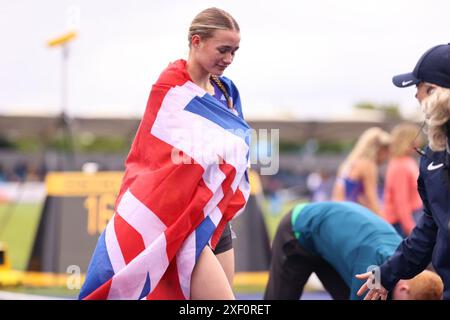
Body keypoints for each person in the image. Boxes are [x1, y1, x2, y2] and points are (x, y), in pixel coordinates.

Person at [79, 8, 251, 300]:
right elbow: (151, 158)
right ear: (196, 41)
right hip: (177, 217)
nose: (229, 59)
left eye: (234, 51)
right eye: (223, 50)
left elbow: (236, 148)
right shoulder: (170, 86)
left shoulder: (227, 90)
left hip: (214, 217)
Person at [357, 43, 450, 300]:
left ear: (435, 90)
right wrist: (386, 274)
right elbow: (429, 229)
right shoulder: (434, 155)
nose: (417, 98)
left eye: (420, 88)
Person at [263, 201, 443, 300]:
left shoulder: (406, 260)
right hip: (299, 231)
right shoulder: (371, 269)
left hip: (333, 246)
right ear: (404, 289)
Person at [332, 127, 391, 216]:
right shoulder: (368, 165)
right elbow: (372, 199)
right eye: (386, 151)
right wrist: (385, 222)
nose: (387, 156)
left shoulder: (349, 163)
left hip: (337, 213)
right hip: (350, 216)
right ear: (378, 149)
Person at [383, 123, 423, 238]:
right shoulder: (400, 165)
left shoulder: (405, 161)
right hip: (401, 222)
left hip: (408, 217)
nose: (418, 142)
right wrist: (410, 228)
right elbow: (401, 200)